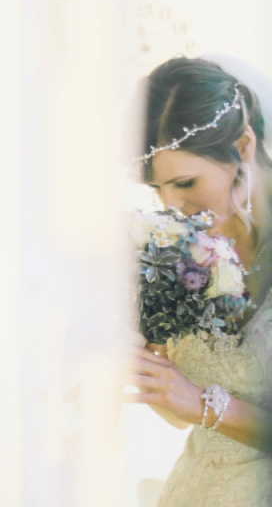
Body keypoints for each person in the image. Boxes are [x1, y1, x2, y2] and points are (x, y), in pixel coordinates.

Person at [126, 56, 272, 505]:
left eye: (186, 182)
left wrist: (204, 404)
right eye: (159, 189)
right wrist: (147, 370)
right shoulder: (176, 254)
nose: (173, 205)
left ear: (244, 147)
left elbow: (197, 406)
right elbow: (177, 416)